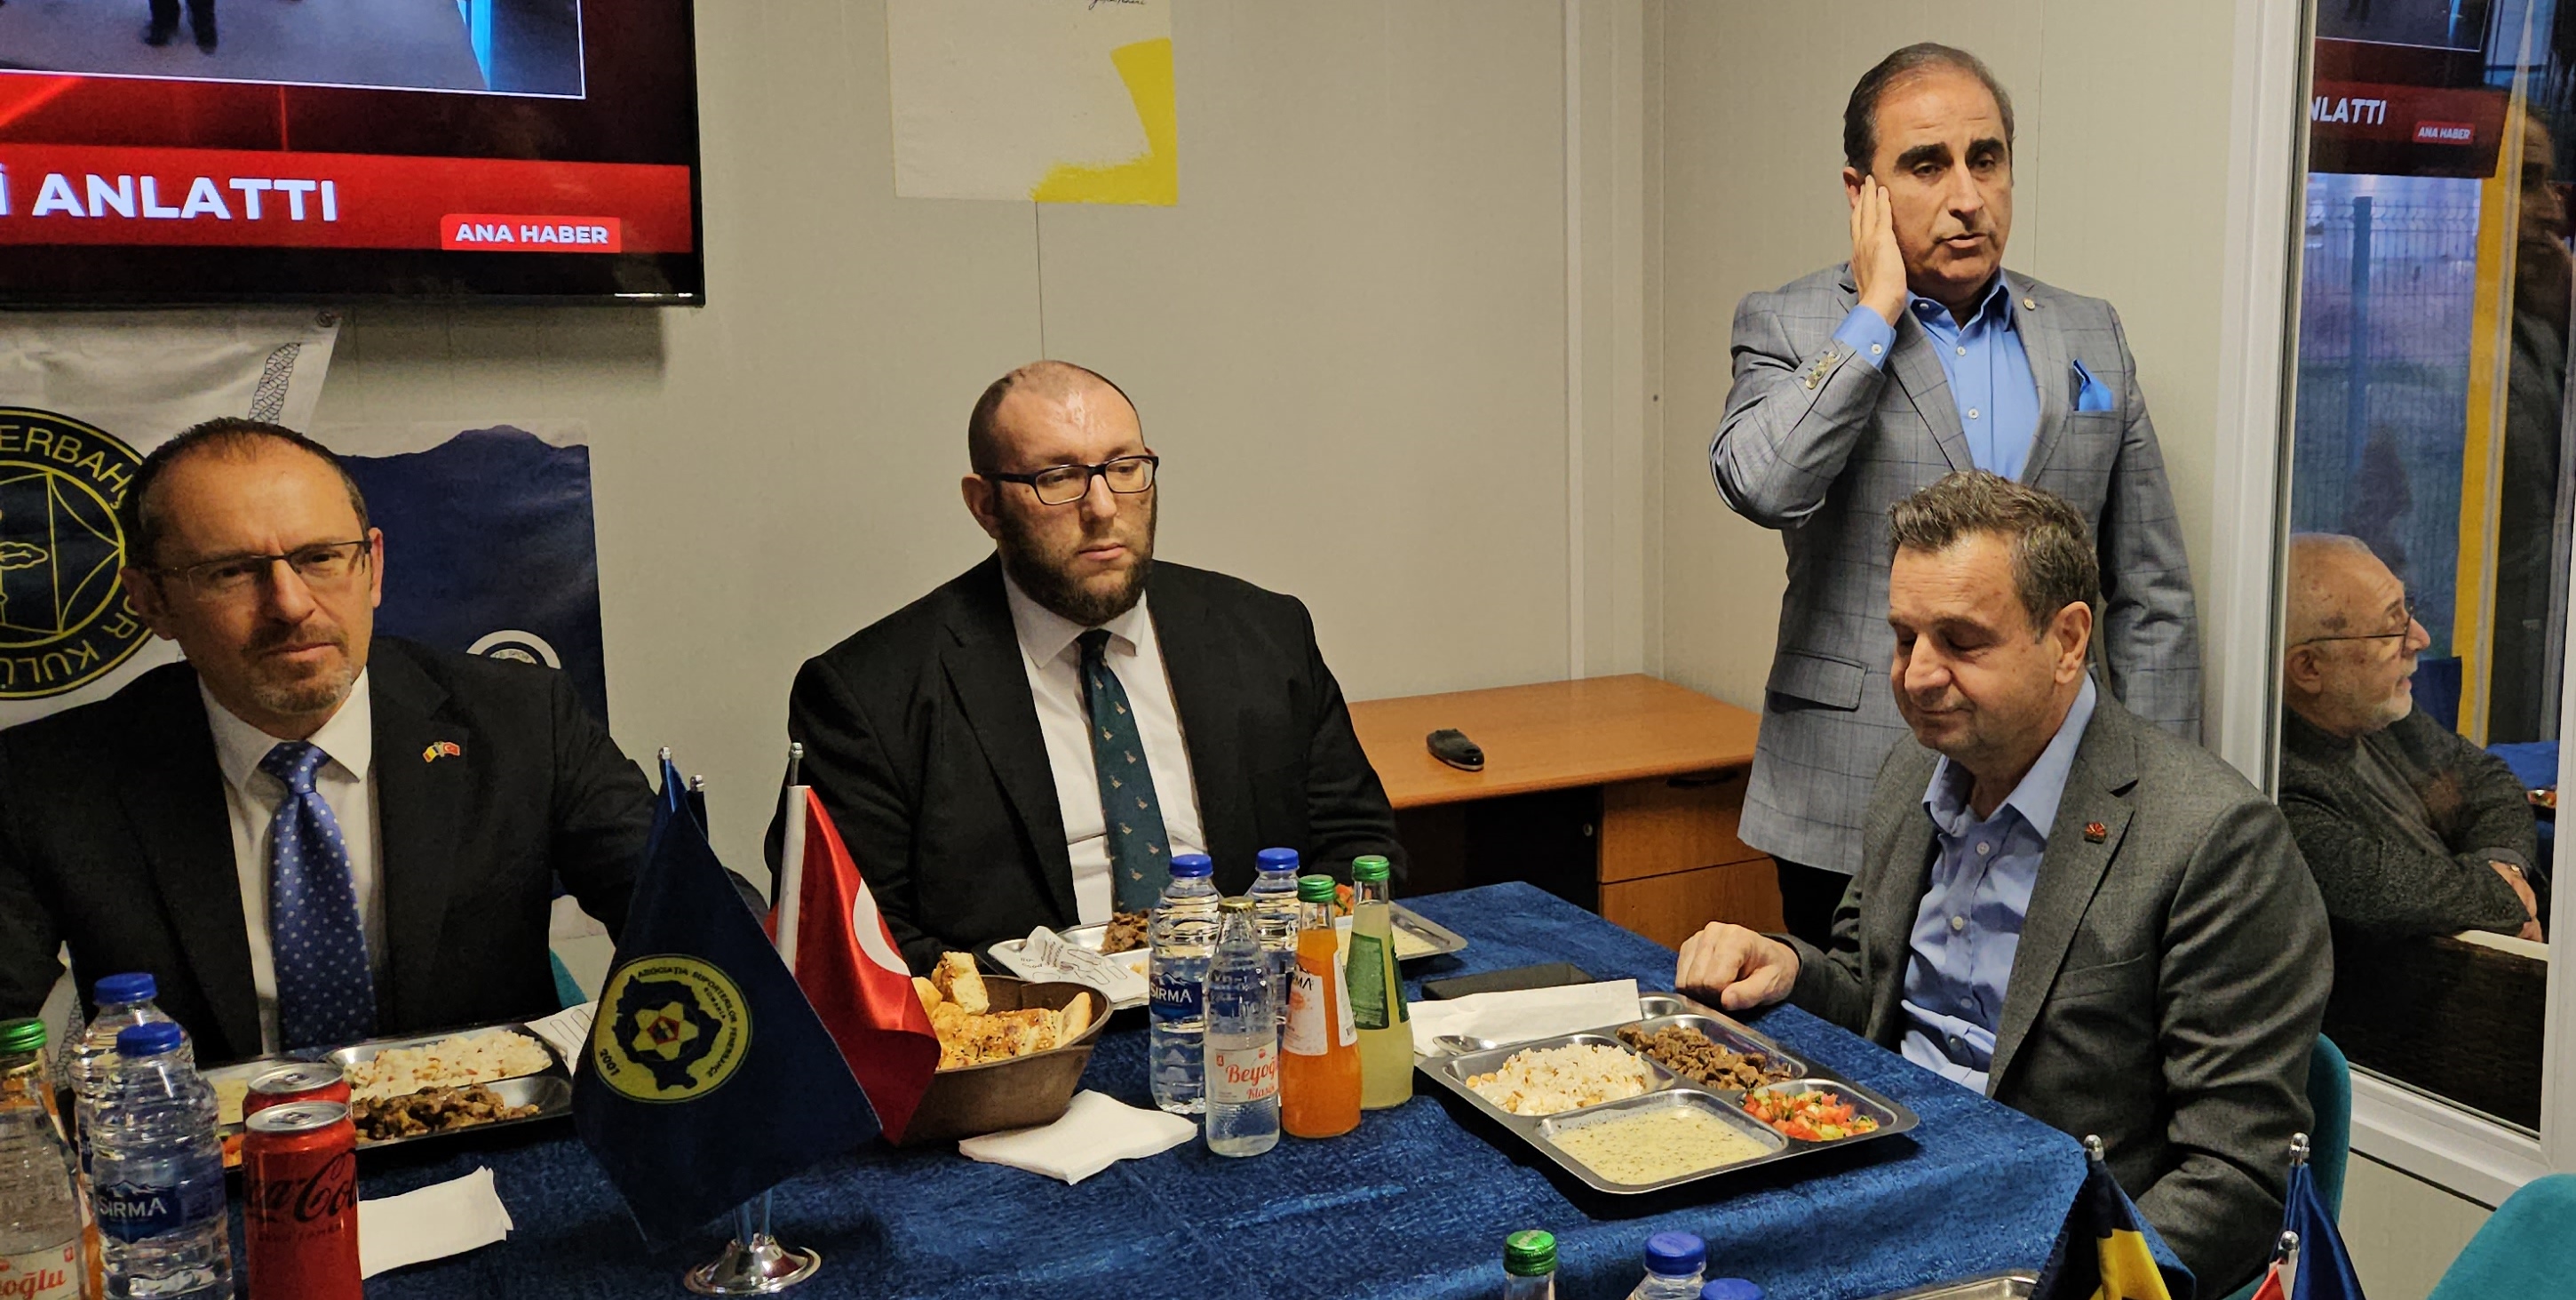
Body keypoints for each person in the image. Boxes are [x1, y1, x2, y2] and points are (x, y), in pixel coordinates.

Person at [1674, 473, 2327, 1294]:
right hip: (1881, 1191)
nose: (1917, 675)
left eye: (1961, 641)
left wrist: (2061, 1285)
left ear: (2068, 640)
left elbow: (2239, 1180)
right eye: (1904, 638)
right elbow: (1872, 997)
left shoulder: (2214, 841)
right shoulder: (1912, 771)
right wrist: (1789, 967)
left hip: (2045, 1245)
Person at [1709, 42, 2200, 947]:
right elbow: (1763, 483)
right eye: (1926, 165)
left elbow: (2150, 590)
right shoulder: (1789, 321)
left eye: (1986, 159)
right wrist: (1873, 313)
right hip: (1850, 778)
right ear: (1861, 191)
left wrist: (2162, 797)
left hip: (2060, 784)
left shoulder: (2088, 332)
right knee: (1849, 1025)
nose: (1968, 196)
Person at [0, 419, 662, 1064]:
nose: (290, 605)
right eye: (232, 572)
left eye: (319, 558)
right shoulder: (47, 783)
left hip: (488, 1123)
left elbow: (680, 912)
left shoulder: (521, 718)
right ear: (151, 600)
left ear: (372, 568)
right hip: (207, 1135)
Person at [770, 360, 1404, 973]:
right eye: (1059, 478)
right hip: (1029, 1026)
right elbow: (854, 944)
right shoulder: (869, 694)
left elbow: (1358, 848)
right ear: (985, 505)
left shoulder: (1265, 632)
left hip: (1256, 999)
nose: (1103, 506)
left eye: (1125, 469)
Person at [2279, 533, 2548, 942]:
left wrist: (2503, 866)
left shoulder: (2378, 714)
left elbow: (2488, 782)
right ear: (2309, 668)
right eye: (2392, 628)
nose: (2421, 638)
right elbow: (2387, 891)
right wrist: (2503, 898)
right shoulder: (2283, 788)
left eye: (2408, 610)